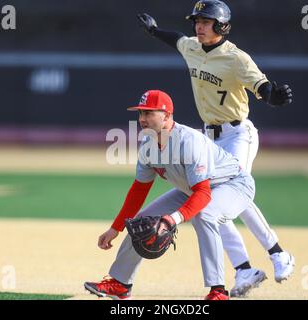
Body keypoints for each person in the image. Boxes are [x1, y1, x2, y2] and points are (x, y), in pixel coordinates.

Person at [137, 0, 295, 297]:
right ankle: (245, 268)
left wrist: (274, 96)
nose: (199, 25)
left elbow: (262, 88)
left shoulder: (236, 58)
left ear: (222, 26)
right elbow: (177, 40)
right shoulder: (193, 47)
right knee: (209, 202)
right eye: (197, 20)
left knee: (234, 192)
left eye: (206, 21)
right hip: (208, 137)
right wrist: (156, 31)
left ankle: (277, 253)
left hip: (237, 135)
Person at [84, 89, 259, 300]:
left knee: (206, 215)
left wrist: (172, 219)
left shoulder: (189, 141)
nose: (142, 119)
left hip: (233, 184)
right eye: (140, 114)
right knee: (140, 222)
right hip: (192, 189)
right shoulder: (148, 146)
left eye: (149, 113)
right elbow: (139, 191)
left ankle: (218, 291)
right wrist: (115, 227)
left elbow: (203, 193)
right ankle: (120, 284)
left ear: (166, 115)